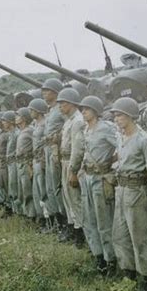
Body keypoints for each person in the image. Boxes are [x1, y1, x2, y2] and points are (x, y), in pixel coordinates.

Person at [110, 97, 147, 291]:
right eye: (115, 115)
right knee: (119, 235)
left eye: (119, 115)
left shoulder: (143, 139)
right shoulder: (121, 138)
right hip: (121, 189)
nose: (116, 119)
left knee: (140, 237)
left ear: (130, 116)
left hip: (136, 191)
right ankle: (129, 275)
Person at [79, 95, 117, 275]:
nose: (83, 112)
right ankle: (98, 256)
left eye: (86, 109)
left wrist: (110, 163)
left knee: (104, 222)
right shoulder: (86, 129)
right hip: (87, 177)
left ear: (95, 110)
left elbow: (123, 146)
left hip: (101, 178)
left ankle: (111, 260)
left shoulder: (106, 128)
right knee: (89, 219)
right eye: (82, 109)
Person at [57, 87, 86, 247]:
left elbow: (78, 149)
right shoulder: (69, 120)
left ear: (72, 103)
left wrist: (74, 171)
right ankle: (76, 229)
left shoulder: (77, 121)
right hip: (65, 161)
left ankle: (81, 234)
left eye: (63, 103)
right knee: (68, 197)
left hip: (72, 163)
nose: (60, 106)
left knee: (75, 199)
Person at [41, 78, 68, 234]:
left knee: (58, 187)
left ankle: (67, 224)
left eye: (47, 90)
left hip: (56, 150)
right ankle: (59, 222)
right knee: (51, 188)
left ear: (56, 92)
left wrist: (57, 140)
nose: (44, 93)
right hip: (48, 150)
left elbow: (68, 126)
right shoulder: (51, 110)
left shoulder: (60, 109)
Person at [28, 98, 49, 230]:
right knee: (37, 191)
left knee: (44, 192)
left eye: (32, 110)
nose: (30, 112)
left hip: (42, 161)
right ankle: (42, 218)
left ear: (38, 111)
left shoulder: (45, 124)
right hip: (35, 160)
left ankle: (49, 220)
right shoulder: (35, 124)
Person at [15, 107, 36, 219]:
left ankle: (32, 215)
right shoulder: (21, 131)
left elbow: (35, 147)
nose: (16, 118)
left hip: (27, 163)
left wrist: (30, 165)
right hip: (20, 163)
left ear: (23, 118)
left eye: (18, 115)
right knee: (22, 190)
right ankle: (26, 212)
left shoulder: (30, 130)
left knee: (28, 191)